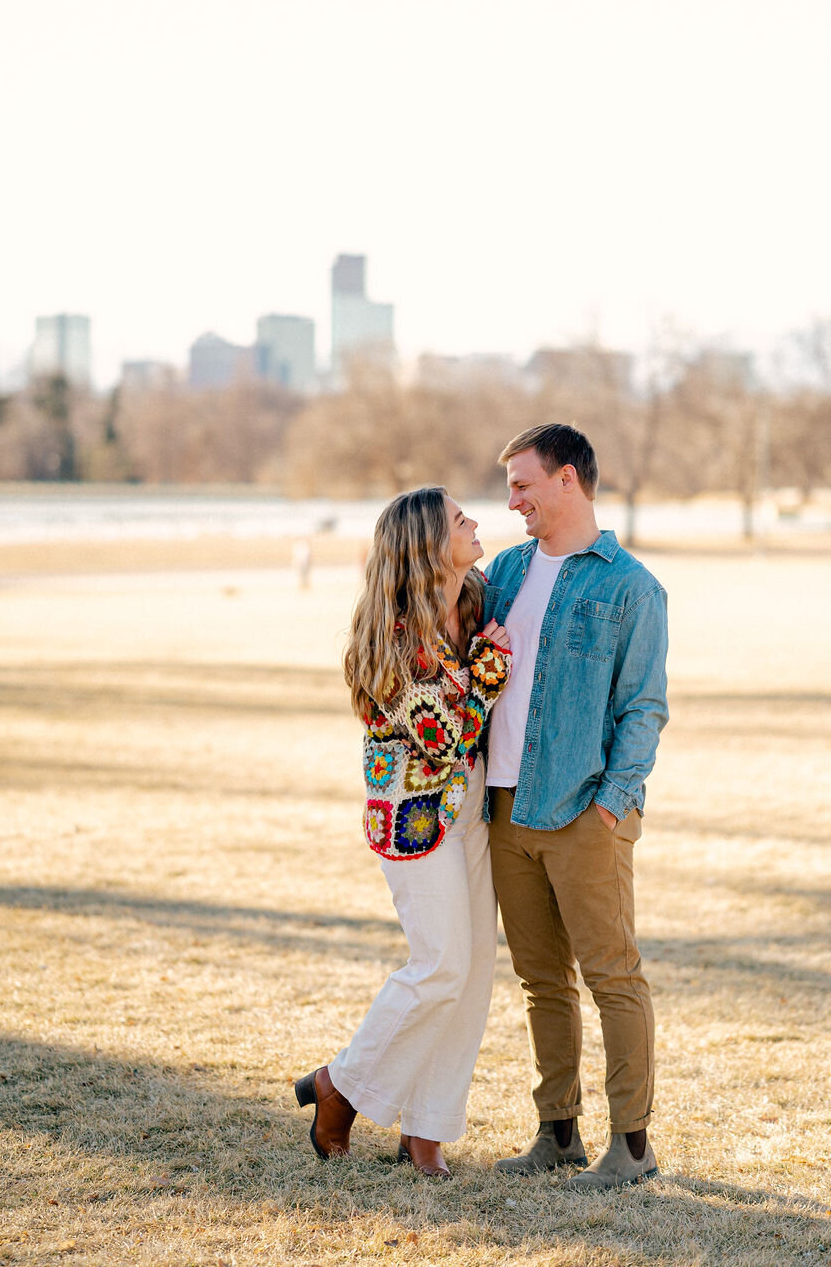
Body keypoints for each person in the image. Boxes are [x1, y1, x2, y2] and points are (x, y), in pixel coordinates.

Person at [295, 486, 512, 1179]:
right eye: (458, 518)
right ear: (426, 545)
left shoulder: (474, 594)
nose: (475, 521)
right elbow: (445, 738)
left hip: (470, 802)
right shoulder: (395, 638)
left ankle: (428, 1132)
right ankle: (340, 1084)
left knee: (474, 971)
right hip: (413, 812)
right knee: (440, 962)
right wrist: (488, 670)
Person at [483, 424, 668, 1191]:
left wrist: (612, 803)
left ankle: (631, 1147)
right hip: (503, 809)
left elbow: (644, 707)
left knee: (612, 975)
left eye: (523, 484)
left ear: (567, 479)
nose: (513, 501)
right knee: (541, 980)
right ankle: (557, 1130)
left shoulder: (632, 586)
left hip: (585, 812)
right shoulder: (505, 570)